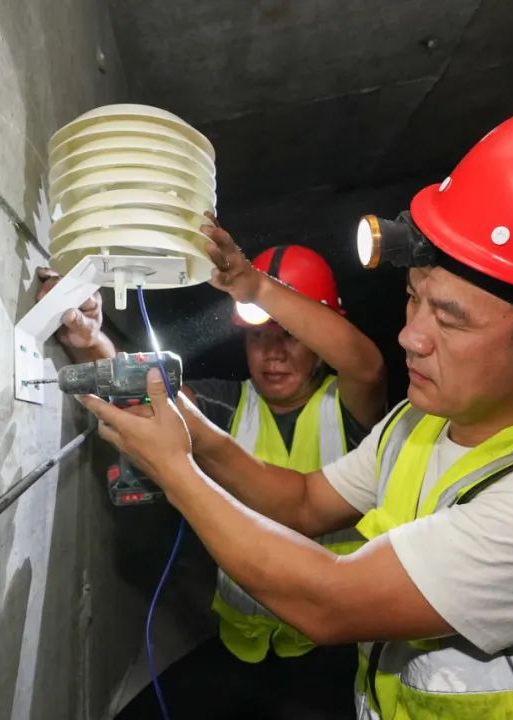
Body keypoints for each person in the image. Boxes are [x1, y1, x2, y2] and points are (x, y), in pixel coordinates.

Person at [79, 100, 513, 720]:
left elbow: (329, 602)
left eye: (450, 320)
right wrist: (193, 436)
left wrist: (175, 471)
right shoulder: (418, 423)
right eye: (414, 299)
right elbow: (305, 502)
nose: (410, 337)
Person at [38, 229, 387, 715]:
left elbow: (366, 367)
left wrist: (259, 290)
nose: (272, 353)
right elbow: (152, 396)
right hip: (242, 641)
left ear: (318, 338)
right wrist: (89, 338)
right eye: (258, 336)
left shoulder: (348, 410)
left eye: (290, 335)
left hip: (331, 645)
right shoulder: (229, 403)